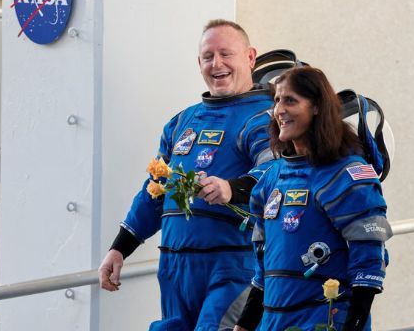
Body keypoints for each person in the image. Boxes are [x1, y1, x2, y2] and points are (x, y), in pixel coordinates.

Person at [98, 19, 274, 331]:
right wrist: (119, 247)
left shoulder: (266, 118)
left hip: (233, 268)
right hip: (176, 269)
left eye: (226, 54)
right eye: (208, 57)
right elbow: (155, 190)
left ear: (250, 57)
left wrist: (232, 188)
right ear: (199, 63)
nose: (216, 64)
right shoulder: (182, 122)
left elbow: (274, 173)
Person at [234, 67, 392, 331]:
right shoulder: (271, 177)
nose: (279, 110)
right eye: (276, 101)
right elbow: (263, 267)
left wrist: (352, 325)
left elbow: (369, 259)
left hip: (323, 321)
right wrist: (244, 324)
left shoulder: (346, 173)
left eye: (290, 100)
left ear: (317, 107)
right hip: (272, 323)